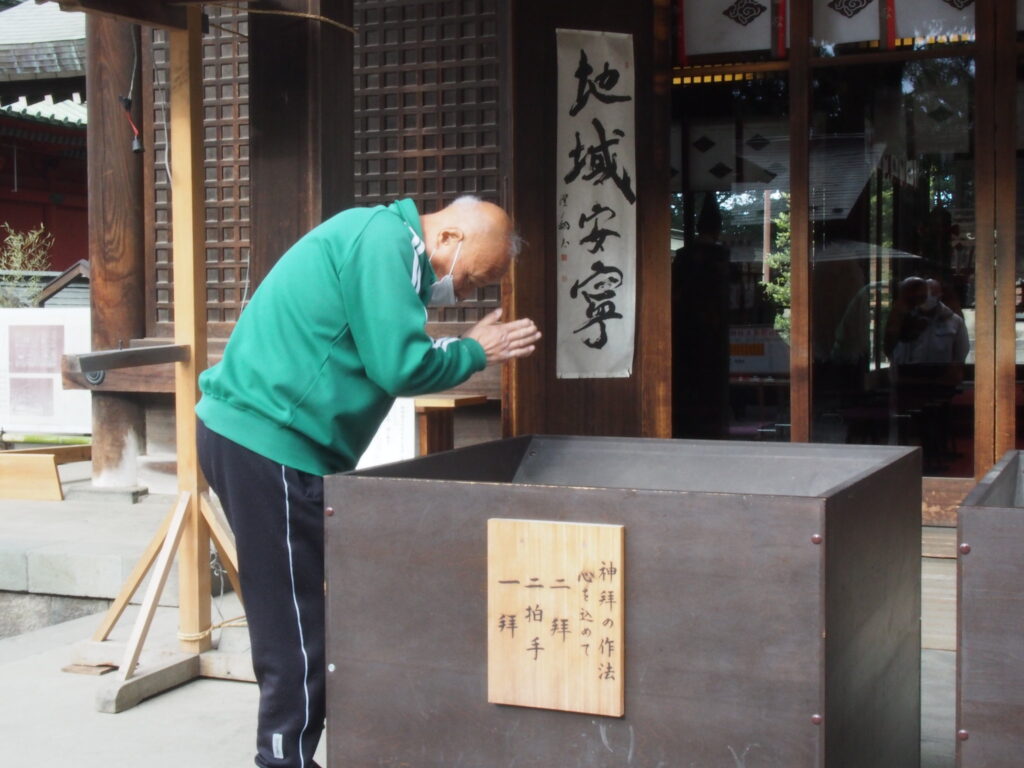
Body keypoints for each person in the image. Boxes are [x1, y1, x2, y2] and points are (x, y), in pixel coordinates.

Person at [195, 195, 540, 768]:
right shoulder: (386, 241)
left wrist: (463, 348)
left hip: (274, 444)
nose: (469, 290)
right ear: (449, 238)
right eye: (477, 277)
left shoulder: (382, 244)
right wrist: (478, 351)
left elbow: (393, 349)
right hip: (268, 444)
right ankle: (282, 758)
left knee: (317, 613)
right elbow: (399, 366)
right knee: (295, 626)